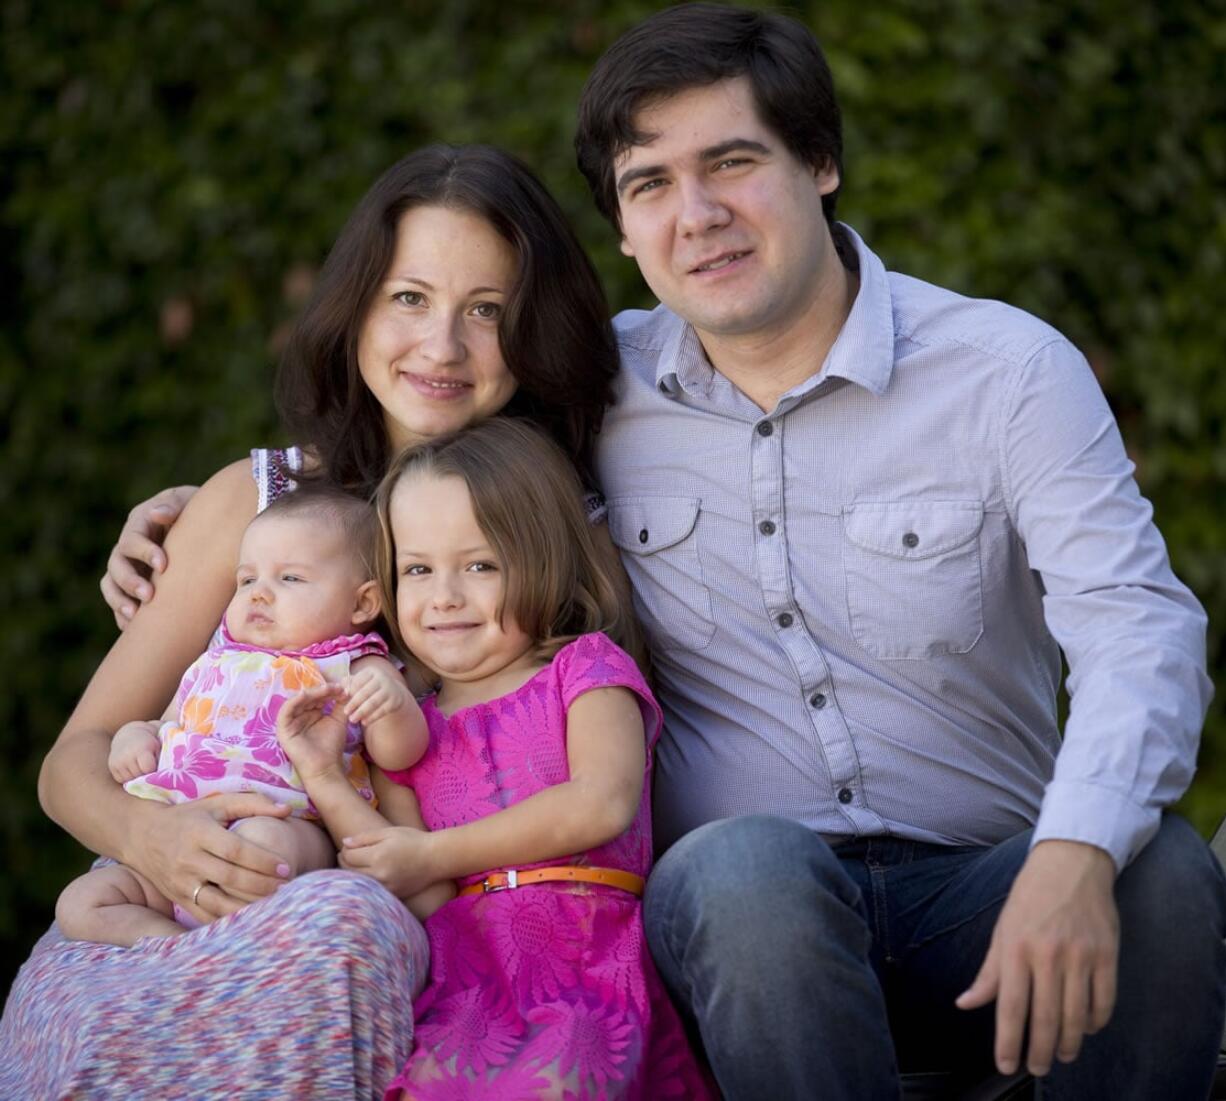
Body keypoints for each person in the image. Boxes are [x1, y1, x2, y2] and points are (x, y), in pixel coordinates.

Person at [568, 5, 1226, 1099]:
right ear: (624, 229)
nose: (697, 216)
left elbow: (1138, 630)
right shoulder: (581, 389)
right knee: (744, 870)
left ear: (819, 163)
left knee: (1151, 866)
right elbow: (391, 439)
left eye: (733, 163)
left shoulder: (1005, 371)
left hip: (989, 899)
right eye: (649, 185)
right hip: (744, 929)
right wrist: (190, 515)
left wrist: (1069, 854)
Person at [0, 143, 621, 1099]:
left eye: (487, 311)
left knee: (346, 924)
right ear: (358, 306)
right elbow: (70, 761)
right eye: (409, 298)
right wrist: (148, 835)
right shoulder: (252, 504)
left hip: (409, 943)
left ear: (535, 331)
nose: (442, 347)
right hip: (161, 904)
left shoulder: (558, 531)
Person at [272, 417, 713, 1098]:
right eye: (417, 569)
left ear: (542, 557)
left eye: (479, 564)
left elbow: (600, 801)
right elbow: (411, 875)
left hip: (585, 974)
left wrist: (431, 853)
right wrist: (324, 774)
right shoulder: (407, 728)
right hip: (467, 994)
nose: (443, 595)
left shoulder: (585, 668)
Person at [55, 485, 428, 946]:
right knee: (82, 902)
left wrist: (391, 705)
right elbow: (167, 724)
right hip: (177, 834)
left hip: (289, 820)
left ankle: (230, 952)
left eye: (289, 579)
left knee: (264, 845)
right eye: (247, 580)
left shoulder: (352, 664)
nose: (259, 596)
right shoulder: (216, 660)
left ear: (361, 604)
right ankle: (177, 951)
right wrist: (134, 738)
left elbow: (400, 753)